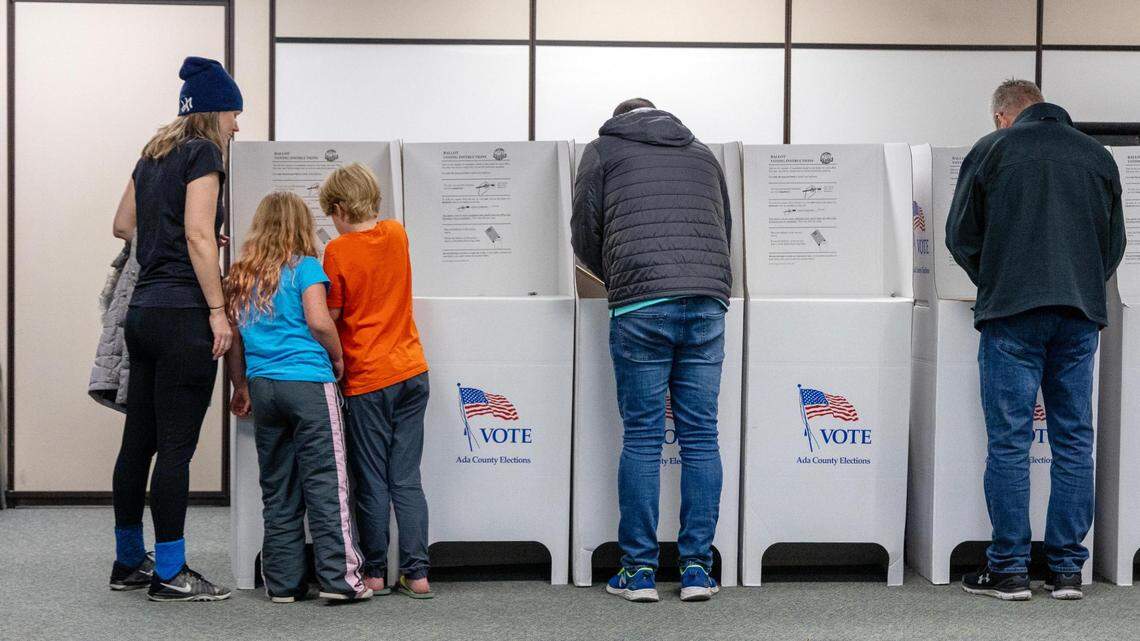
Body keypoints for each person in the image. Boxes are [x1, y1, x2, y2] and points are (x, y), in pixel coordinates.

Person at [947, 79, 1126, 601]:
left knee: (1009, 441)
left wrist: (999, 278)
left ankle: (1008, 572)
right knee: (1073, 440)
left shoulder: (991, 149)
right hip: (1078, 315)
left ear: (1003, 116)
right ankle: (1068, 570)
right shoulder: (1098, 156)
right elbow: (1112, 245)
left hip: (1012, 316)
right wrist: (1080, 283)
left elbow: (961, 235)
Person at [571, 98, 732, 602]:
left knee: (642, 435)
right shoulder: (704, 154)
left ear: (619, 118)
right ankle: (696, 570)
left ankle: (638, 571)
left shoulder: (602, 151)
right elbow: (723, 227)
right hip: (707, 299)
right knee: (701, 436)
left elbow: (584, 232)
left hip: (641, 303)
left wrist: (617, 278)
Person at [108, 56, 242, 601]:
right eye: (235, 112)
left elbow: (122, 225)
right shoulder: (204, 152)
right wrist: (216, 309)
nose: (239, 124)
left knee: (137, 442)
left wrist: (188, 240)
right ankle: (170, 573)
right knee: (177, 449)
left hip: (142, 315)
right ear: (214, 112)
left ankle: (127, 562)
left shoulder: (154, 153)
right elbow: (196, 233)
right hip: (184, 316)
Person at [224, 192, 372, 603]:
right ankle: (340, 581)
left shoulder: (241, 274)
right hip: (307, 384)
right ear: (300, 225)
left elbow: (234, 340)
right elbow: (319, 322)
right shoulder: (305, 267)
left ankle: (284, 584)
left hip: (263, 387)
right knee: (327, 483)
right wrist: (338, 358)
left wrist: (241, 385)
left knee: (278, 487)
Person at [319, 163, 433, 599]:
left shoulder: (339, 252)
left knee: (371, 480)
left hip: (368, 377)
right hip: (411, 370)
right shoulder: (397, 233)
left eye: (331, 211)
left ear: (342, 207)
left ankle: (372, 573)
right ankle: (417, 574)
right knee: (407, 479)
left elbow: (331, 316)